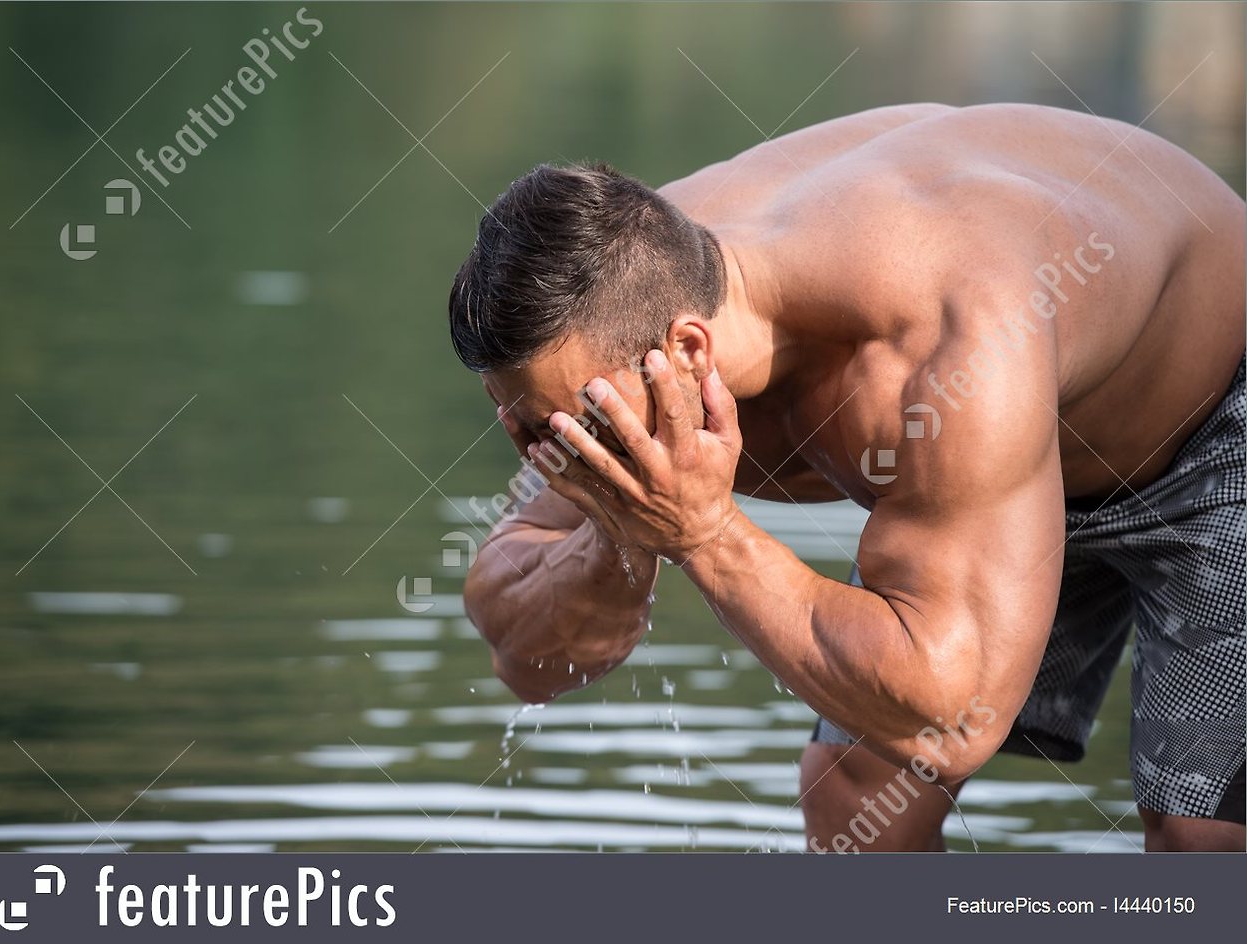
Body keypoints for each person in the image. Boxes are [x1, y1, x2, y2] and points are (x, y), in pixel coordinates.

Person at [447, 103, 1245, 851]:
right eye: (523, 421)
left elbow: (953, 716)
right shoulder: (615, 305)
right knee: (854, 802)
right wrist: (615, 537)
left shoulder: (935, 342)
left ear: (689, 352)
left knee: (1203, 837)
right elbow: (526, 662)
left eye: (575, 427)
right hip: (995, 461)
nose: (549, 447)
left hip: (1211, 416)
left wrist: (705, 534)